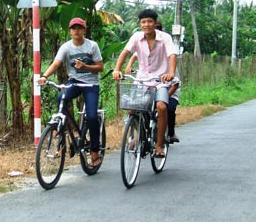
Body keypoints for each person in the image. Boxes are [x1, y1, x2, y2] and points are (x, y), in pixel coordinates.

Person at [38, 17, 104, 167]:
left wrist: (86, 67)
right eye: (74, 28)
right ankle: (62, 128)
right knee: (61, 96)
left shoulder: (92, 46)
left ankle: (94, 151)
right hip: (74, 82)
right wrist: (44, 76)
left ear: (84, 30)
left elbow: (100, 67)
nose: (76, 31)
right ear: (70, 31)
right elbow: (56, 63)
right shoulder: (66, 47)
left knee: (92, 117)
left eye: (79, 28)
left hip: (91, 84)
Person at [112, 9, 176, 158]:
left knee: (161, 107)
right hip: (141, 80)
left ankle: (159, 145)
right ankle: (138, 135)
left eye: (150, 21)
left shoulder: (165, 38)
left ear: (155, 23)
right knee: (131, 109)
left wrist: (171, 73)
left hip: (160, 81)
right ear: (140, 24)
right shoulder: (136, 37)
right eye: (143, 22)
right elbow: (125, 52)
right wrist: (117, 69)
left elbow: (172, 55)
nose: (146, 24)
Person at [124, 21, 181, 144]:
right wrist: (126, 67)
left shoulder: (168, 58)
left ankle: (167, 136)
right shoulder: (143, 47)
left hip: (166, 88)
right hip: (146, 85)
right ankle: (139, 135)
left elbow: (175, 83)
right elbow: (132, 55)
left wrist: (164, 94)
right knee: (132, 108)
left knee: (165, 108)